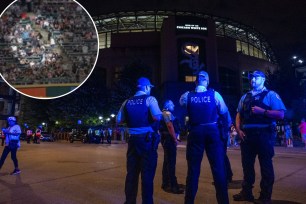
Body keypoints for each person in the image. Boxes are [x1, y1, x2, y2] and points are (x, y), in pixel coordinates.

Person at [233, 70, 286, 204]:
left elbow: (281, 114)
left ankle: (265, 197)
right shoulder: (245, 96)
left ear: (263, 79)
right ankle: (247, 193)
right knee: (247, 166)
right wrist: (238, 129)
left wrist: (263, 112)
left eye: (256, 78)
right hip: (247, 136)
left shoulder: (271, 95)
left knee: (266, 166)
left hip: (264, 135)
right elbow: (239, 114)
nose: (253, 80)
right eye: (251, 78)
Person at [179, 70, 229, 204]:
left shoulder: (187, 96)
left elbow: (181, 103)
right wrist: (225, 132)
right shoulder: (215, 94)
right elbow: (224, 112)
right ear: (207, 81)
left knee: (193, 170)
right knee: (219, 169)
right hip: (213, 131)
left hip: (195, 132)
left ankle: (189, 201)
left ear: (195, 82)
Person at [116, 77, 162, 204]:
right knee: (147, 175)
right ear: (146, 87)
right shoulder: (150, 99)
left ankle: (129, 201)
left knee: (131, 174)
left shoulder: (126, 102)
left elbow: (119, 120)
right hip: (147, 141)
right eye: (150, 88)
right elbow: (157, 117)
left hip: (132, 141)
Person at [159, 100, 184, 194]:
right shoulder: (167, 113)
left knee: (167, 162)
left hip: (167, 138)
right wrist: (174, 138)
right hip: (169, 139)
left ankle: (165, 183)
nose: (174, 105)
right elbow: (169, 126)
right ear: (168, 105)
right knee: (171, 163)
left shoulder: (164, 113)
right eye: (172, 104)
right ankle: (172, 186)